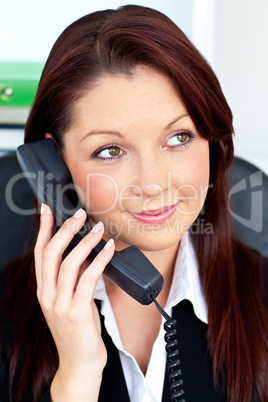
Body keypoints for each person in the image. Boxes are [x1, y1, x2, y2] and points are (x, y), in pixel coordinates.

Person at [0, 5, 268, 402]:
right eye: (110, 150)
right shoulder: (7, 317)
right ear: (54, 164)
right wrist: (77, 377)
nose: (153, 183)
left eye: (178, 138)